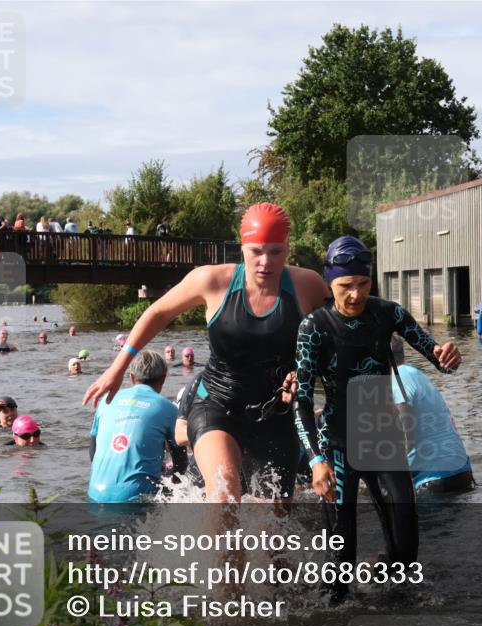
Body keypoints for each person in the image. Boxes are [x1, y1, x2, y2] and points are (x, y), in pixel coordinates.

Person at [83, 203, 328, 507]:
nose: (265, 262)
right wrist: (117, 368)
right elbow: (158, 312)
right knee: (225, 497)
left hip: (275, 414)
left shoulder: (308, 285)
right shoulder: (212, 281)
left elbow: (331, 339)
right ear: (242, 247)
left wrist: (304, 373)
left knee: (273, 525)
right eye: (256, 251)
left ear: (288, 247)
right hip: (217, 403)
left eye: (276, 252)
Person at [294, 236, 462, 600]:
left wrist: (448, 357)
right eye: (345, 286)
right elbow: (302, 401)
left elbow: (437, 358)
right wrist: (316, 460)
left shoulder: (389, 313)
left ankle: (395, 609)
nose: (355, 294)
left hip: (381, 437)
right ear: (329, 283)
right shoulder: (314, 327)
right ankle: (334, 619)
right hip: (337, 443)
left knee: (406, 546)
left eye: (363, 283)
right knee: (341, 561)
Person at [87, 351, 185, 503]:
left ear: (132, 377)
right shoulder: (169, 409)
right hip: (135, 500)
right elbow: (181, 464)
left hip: (95, 495)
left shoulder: (106, 400)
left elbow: (93, 452)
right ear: (163, 379)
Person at [388, 335, 474, 494]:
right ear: (402, 355)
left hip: (435, 480)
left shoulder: (396, 379)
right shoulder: (416, 374)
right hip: (463, 472)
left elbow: (407, 436)